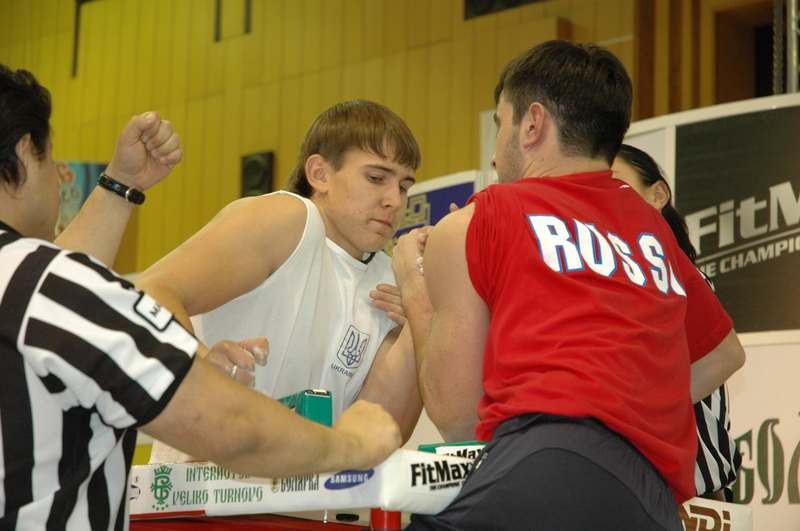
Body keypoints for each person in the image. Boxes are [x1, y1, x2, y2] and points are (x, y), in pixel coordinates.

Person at [0, 65, 401, 530]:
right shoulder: (289, 218)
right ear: (28, 152)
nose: (60, 180)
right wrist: (349, 445)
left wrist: (118, 185)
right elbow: (230, 426)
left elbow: (59, 290)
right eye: (54, 162)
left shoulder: (33, 281)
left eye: (403, 184)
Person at [392, 41, 745, 531]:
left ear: (532, 124)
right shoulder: (653, 230)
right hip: (652, 500)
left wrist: (414, 285)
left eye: (500, 124)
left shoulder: (481, 220)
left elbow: (458, 418)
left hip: (542, 467)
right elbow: (722, 354)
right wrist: (625, 404)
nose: (496, 150)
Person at [137, 99, 424, 463]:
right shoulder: (288, 219)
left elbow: (376, 438)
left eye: (404, 186)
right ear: (319, 174)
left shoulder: (389, 278)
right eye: (376, 178)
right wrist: (199, 363)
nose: (393, 200)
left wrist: (422, 314)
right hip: (203, 496)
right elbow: (148, 292)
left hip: (305, 504)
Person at [613, 143, 741, 501]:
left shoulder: (673, 278)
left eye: (617, 186)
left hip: (693, 494)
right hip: (639, 487)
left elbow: (725, 357)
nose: (605, 201)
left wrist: (623, 418)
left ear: (658, 194)